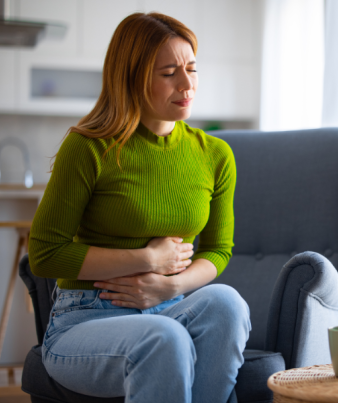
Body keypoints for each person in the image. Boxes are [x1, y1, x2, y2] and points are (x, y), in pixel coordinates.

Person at [28, 12, 250, 403]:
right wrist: (147, 259)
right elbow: (45, 254)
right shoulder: (89, 147)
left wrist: (171, 285)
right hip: (84, 320)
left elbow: (219, 249)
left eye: (192, 68)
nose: (187, 84)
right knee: (165, 339)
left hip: (169, 306)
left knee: (227, 303)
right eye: (169, 73)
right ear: (132, 77)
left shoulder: (215, 154)